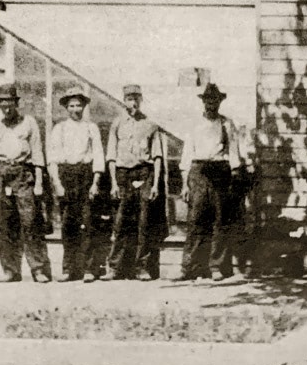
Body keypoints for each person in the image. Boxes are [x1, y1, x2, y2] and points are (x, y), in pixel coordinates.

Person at [0, 83, 52, 283]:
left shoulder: (29, 123)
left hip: (24, 175)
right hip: (2, 175)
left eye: (10, 104)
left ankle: (38, 269)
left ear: (16, 104)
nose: (7, 108)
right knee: (4, 225)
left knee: (30, 221)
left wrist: (39, 182)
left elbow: (38, 153)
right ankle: (10, 270)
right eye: (3, 104)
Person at [101, 84, 166, 281]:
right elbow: (111, 156)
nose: (133, 102)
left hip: (144, 174)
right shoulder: (117, 124)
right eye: (129, 98)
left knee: (144, 222)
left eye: (137, 98)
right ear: (124, 100)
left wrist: (154, 184)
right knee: (121, 222)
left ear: (141, 99)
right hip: (122, 175)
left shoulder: (151, 125)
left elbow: (157, 157)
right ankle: (114, 268)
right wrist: (113, 183)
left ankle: (142, 267)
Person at [179, 83, 243, 282]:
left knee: (219, 219)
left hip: (220, 171)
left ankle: (216, 266)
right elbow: (187, 156)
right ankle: (189, 267)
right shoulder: (194, 124)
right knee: (195, 218)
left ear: (220, 101)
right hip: (198, 171)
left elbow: (233, 153)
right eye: (207, 100)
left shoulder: (227, 124)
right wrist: (184, 184)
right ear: (203, 101)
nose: (211, 103)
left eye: (214, 99)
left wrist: (234, 176)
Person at [47, 86, 105, 283]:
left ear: (84, 106)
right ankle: (68, 269)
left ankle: (89, 269)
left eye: (79, 105)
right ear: (66, 107)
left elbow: (98, 155)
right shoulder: (59, 128)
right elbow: (53, 158)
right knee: (68, 224)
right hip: (66, 177)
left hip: (86, 175)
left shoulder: (91, 128)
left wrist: (95, 182)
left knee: (88, 223)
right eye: (71, 105)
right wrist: (57, 183)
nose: (75, 109)